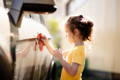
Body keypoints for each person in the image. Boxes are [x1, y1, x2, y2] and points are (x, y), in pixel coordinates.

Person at [39, 15, 93, 80]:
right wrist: (46, 43)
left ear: (76, 32)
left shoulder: (78, 51)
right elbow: (55, 53)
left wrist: (61, 59)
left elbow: (72, 72)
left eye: (67, 32)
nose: (66, 35)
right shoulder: (74, 50)